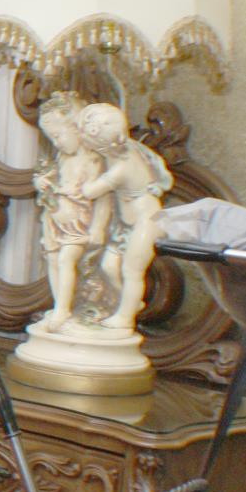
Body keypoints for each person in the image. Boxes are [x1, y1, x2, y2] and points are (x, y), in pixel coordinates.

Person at [78, 102, 173, 330]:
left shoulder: (121, 168)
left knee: (132, 270)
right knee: (109, 267)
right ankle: (130, 301)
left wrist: (84, 173)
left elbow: (90, 192)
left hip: (147, 221)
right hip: (126, 224)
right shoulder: (125, 146)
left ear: (104, 146)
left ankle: (125, 316)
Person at [33, 93, 106, 332]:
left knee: (66, 259)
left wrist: (98, 227)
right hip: (54, 219)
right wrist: (41, 182)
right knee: (53, 259)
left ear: (76, 127)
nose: (56, 143)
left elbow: (104, 198)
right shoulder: (62, 157)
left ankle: (64, 309)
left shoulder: (93, 160)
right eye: (51, 138)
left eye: (58, 136)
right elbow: (49, 176)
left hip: (79, 223)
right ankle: (60, 306)